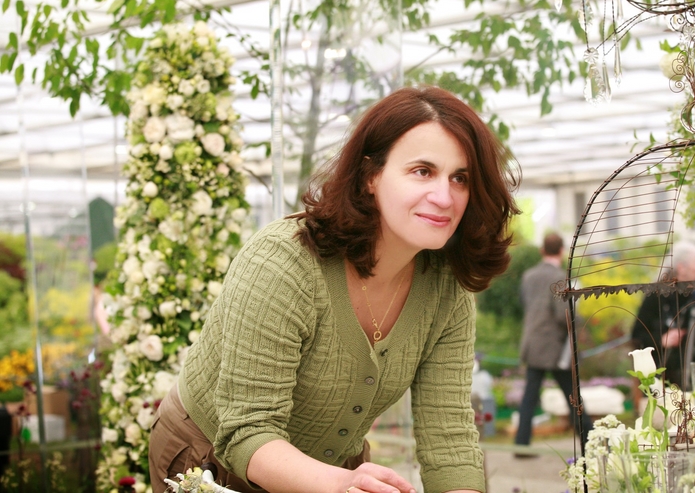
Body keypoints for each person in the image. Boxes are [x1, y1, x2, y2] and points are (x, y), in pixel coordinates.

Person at [148, 86, 520, 493]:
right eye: (422, 171)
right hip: (209, 458)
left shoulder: (447, 289)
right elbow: (247, 430)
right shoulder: (284, 263)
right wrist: (342, 483)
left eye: (460, 178)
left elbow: (449, 437)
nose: (444, 196)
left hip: (333, 468)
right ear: (370, 176)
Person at [513, 233, 591, 455]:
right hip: (555, 347)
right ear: (562, 251)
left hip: (532, 342)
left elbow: (525, 304)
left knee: (529, 396)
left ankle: (521, 445)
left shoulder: (528, 276)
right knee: (573, 394)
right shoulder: (560, 278)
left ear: (542, 251)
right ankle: (589, 440)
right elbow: (563, 315)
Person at [630, 241, 695, 390]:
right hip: (666, 373)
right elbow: (637, 335)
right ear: (681, 267)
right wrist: (662, 340)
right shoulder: (656, 295)